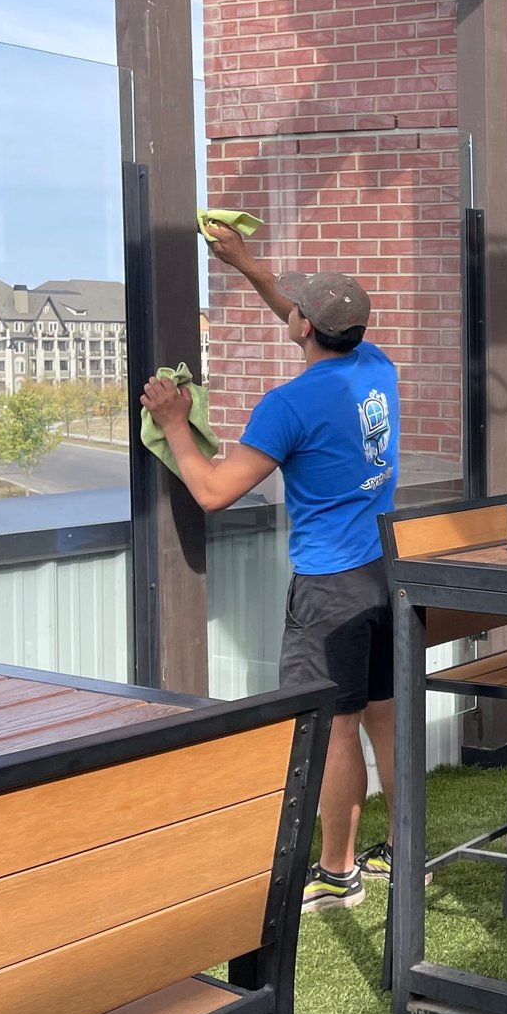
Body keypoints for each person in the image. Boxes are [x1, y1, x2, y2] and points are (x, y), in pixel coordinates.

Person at [140, 221, 402, 914]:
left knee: (337, 727)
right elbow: (298, 308)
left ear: (305, 329)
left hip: (331, 588)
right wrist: (246, 264)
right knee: (385, 714)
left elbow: (214, 491)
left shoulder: (290, 405)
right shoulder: (375, 365)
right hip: (386, 571)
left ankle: (337, 873)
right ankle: (406, 854)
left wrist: (174, 421)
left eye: (297, 313)